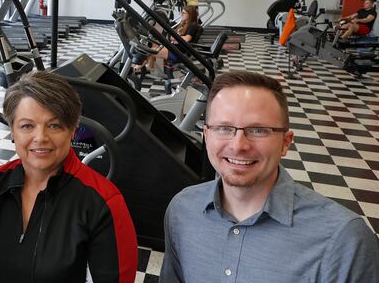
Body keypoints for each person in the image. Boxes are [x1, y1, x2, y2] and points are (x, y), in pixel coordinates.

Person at [161, 71, 379, 283]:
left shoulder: (345, 239)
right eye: (224, 128)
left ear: (286, 142)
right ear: (206, 136)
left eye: (258, 130)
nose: (238, 145)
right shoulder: (182, 210)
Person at [0, 71, 138, 283]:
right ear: (13, 132)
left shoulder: (103, 202)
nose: (40, 137)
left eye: (54, 125)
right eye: (27, 126)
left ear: (73, 130)